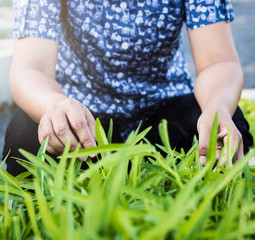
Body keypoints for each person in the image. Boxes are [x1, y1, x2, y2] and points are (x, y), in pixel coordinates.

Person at [3, 0, 253, 176]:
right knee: (27, 132)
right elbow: (31, 68)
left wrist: (217, 106)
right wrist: (54, 106)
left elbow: (217, 61)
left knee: (225, 125)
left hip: (165, 114)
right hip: (83, 121)